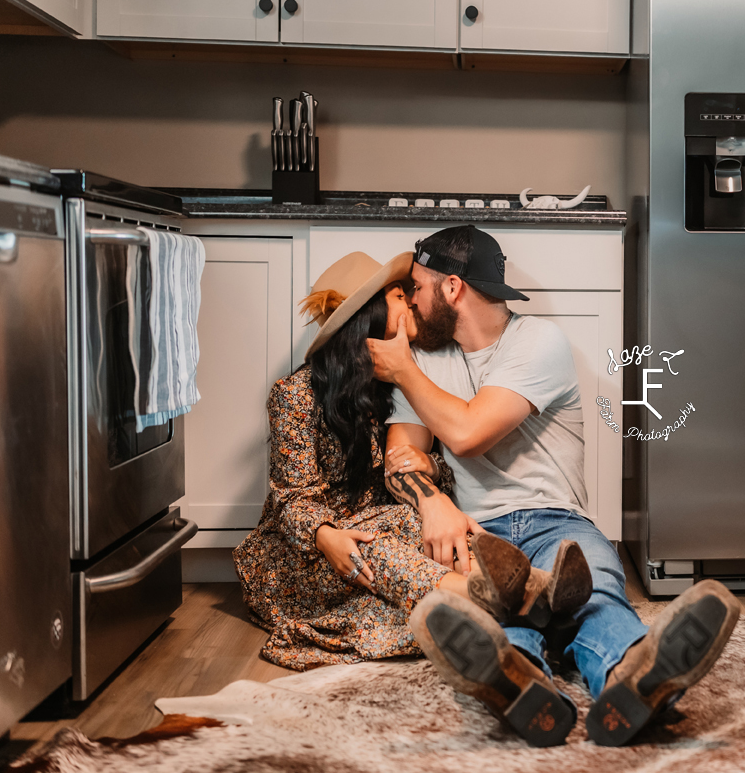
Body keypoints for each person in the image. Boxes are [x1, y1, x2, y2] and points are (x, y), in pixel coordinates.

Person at [367, 225, 741, 747]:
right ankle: (522, 682)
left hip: (556, 521)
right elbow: (400, 456)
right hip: (481, 534)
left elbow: (469, 433)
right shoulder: (427, 363)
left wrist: (404, 371)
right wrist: (433, 506)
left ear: (452, 288)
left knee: (594, 590)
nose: (411, 301)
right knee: (509, 609)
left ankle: (631, 676)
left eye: (419, 287)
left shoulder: (537, 342)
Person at [233, 250, 584, 671]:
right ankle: (513, 596)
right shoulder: (296, 395)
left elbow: (420, 463)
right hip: (307, 558)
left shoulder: (394, 385)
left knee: (428, 578)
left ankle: (506, 618)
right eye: (401, 295)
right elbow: (292, 498)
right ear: (371, 315)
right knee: (377, 541)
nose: (414, 302)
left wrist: (435, 476)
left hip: (382, 554)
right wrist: (327, 536)